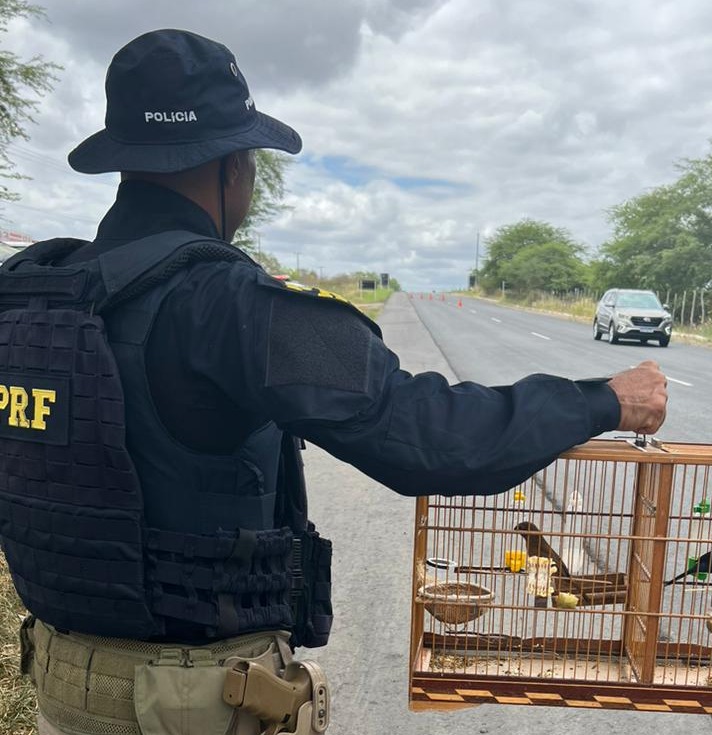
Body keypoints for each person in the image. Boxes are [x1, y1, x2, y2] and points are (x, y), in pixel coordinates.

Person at [0, 29, 667, 735]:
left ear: (125, 163)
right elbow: (428, 436)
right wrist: (606, 398)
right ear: (233, 167)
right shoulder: (234, 307)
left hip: (63, 689)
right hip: (194, 706)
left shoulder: (32, 299)